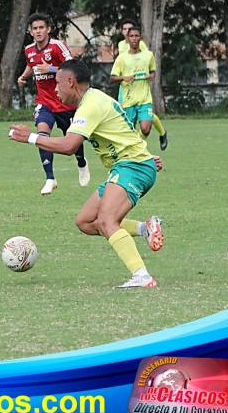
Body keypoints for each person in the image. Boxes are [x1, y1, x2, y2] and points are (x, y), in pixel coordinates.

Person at [9, 59, 164, 289]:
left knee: (106, 220)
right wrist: (146, 155)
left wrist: (31, 138)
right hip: (130, 165)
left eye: (58, 83)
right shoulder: (93, 100)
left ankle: (142, 276)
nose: (55, 89)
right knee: (86, 221)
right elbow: (122, 129)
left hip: (132, 167)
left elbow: (69, 146)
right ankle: (144, 228)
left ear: (71, 82)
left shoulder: (90, 104)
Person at [17, 13, 90, 195]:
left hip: (65, 102)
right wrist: (24, 76)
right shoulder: (29, 50)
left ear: (48, 29)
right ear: (31, 31)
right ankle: (50, 178)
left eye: (41, 27)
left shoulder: (57, 47)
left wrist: (49, 69)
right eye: (35, 28)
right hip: (44, 102)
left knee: (72, 142)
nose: (38, 31)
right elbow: (30, 64)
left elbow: (74, 67)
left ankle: (81, 162)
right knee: (42, 133)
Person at [116, 19, 168, 150]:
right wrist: (124, 77)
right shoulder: (121, 46)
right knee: (127, 121)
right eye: (125, 29)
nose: (128, 32)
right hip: (126, 89)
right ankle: (131, 146)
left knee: (146, 118)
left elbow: (147, 62)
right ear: (123, 33)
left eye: (130, 29)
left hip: (141, 88)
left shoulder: (143, 48)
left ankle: (156, 136)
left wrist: (149, 75)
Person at [110, 26, 160, 141]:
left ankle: (138, 144)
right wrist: (124, 78)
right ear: (128, 38)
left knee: (146, 129)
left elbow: (153, 71)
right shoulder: (122, 58)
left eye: (136, 36)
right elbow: (112, 78)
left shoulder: (148, 56)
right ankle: (135, 147)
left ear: (140, 38)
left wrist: (151, 76)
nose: (134, 39)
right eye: (131, 36)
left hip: (144, 99)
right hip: (128, 100)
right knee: (128, 131)